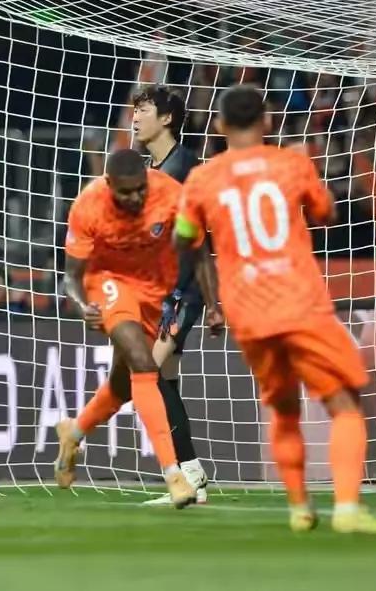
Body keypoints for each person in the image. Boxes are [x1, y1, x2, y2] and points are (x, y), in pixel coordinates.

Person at [174, 85, 376, 533]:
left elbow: (183, 237)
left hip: (248, 312)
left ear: (219, 125)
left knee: (284, 408)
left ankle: (299, 508)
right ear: (268, 120)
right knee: (344, 402)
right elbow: (327, 213)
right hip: (299, 302)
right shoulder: (293, 163)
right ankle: (347, 510)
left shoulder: (201, 179)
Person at [55, 149, 220, 508]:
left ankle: (74, 432)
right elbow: (71, 276)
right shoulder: (88, 206)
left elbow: (200, 251)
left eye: (140, 189)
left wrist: (213, 305)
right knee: (145, 366)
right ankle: (174, 475)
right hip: (108, 283)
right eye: (125, 192)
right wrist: (82, 306)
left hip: (155, 289)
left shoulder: (171, 194)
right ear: (109, 184)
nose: (135, 197)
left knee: (123, 384)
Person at [131, 84, 210, 505]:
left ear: (166, 118)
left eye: (143, 109)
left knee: (145, 373)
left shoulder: (184, 167)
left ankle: (186, 475)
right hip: (163, 292)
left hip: (182, 292)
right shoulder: (153, 168)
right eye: (135, 110)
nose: (135, 117)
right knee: (164, 380)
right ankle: (193, 477)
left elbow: (199, 237)